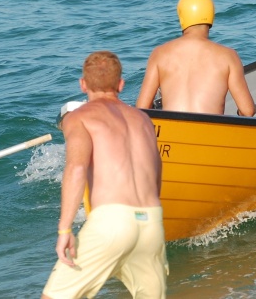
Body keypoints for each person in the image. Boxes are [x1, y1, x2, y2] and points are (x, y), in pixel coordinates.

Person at [42, 51, 168, 299]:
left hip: (112, 222)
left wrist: (64, 229)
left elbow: (76, 168)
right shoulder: (143, 119)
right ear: (121, 84)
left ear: (83, 84)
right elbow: (157, 170)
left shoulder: (79, 117)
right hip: (151, 221)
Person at [136, 0, 256, 116]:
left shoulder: (159, 54)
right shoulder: (228, 56)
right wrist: (243, 111)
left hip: (173, 127)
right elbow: (247, 111)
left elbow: (141, 108)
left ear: (182, 18)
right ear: (211, 16)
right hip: (209, 127)